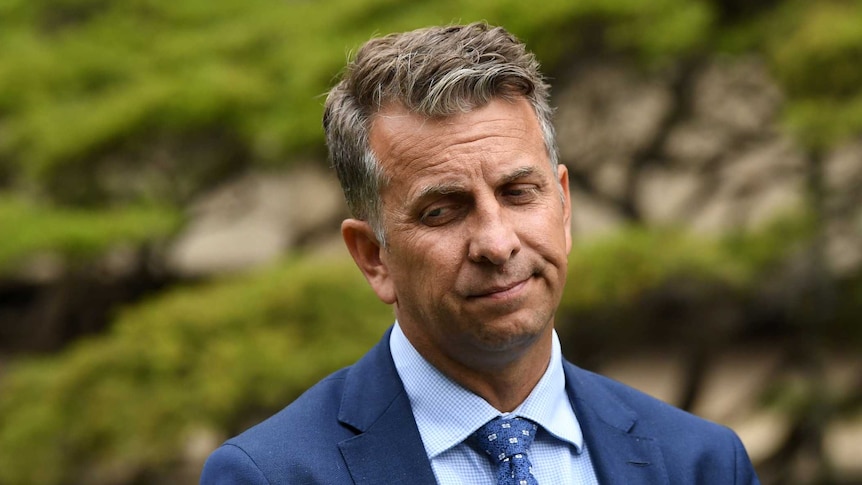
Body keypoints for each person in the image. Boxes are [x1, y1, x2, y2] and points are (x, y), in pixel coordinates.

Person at [200, 22, 760, 484]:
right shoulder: (270, 476)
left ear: (563, 207)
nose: (496, 242)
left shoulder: (702, 464)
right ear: (373, 256)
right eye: (442, 211)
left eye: (518, 193)